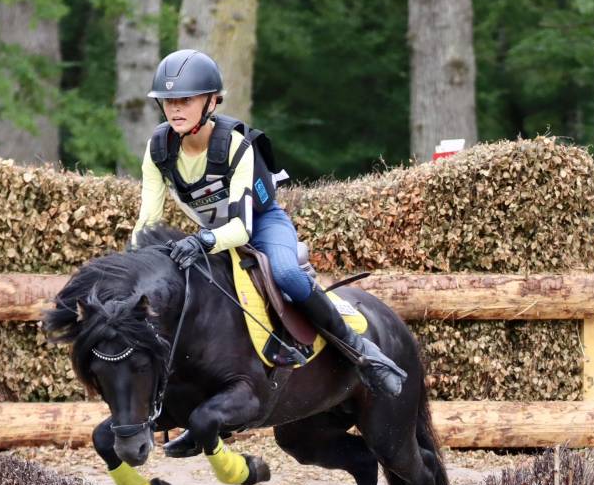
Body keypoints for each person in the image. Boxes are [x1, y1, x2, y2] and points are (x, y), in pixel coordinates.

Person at [132, 48, 406, 396]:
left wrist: (202, 242)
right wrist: (135, 261)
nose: (175, 109)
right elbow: (148, 219)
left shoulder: (237, 146)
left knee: (288, 273)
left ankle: (360, 350)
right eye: (168, 100)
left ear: (212, 102)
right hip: (209, 233)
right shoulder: (158, 149)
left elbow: (241, 229)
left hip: (259, 225)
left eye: (185, 100)